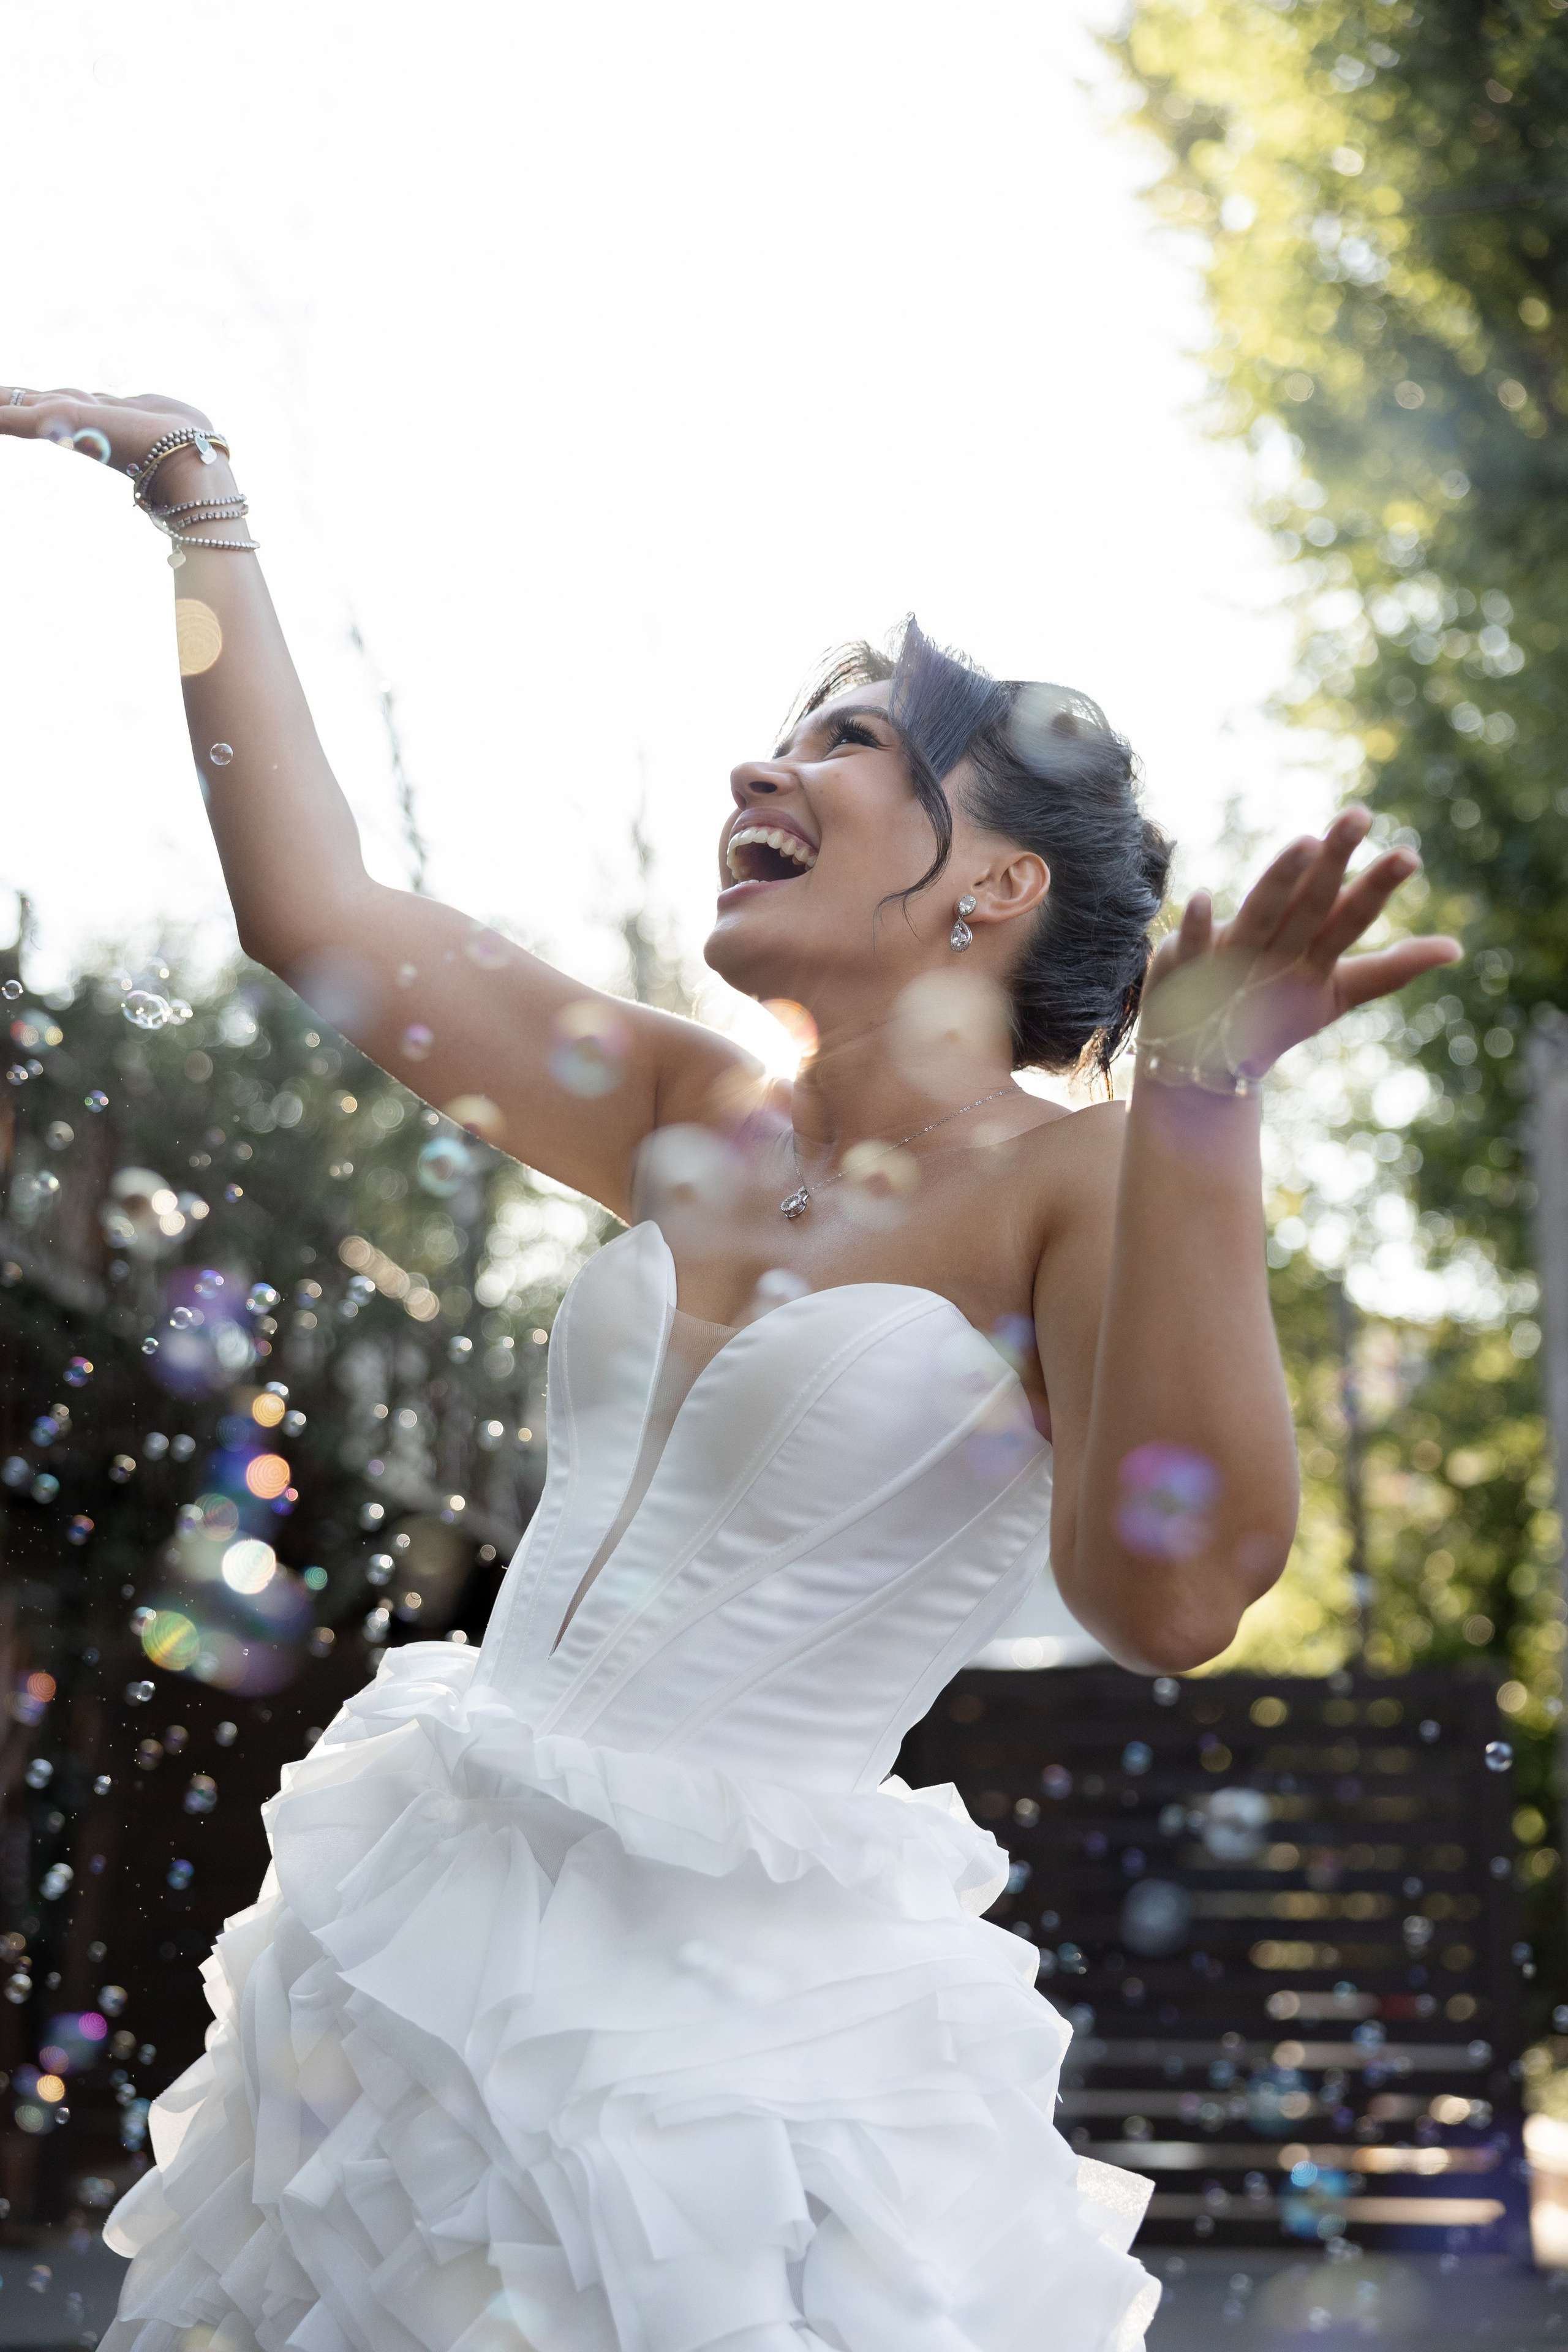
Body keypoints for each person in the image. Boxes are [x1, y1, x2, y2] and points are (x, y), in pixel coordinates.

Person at [3, 387, 1460, 2352]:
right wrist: (196, 493)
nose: (757, 770)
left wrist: (1199, 1107)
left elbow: (1172, 1593)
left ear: (995, 882)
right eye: (782, 739)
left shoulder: (1083, 1179)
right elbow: (320, 915)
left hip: (738, 2056)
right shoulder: (695, 1109)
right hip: (409, 1942)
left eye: (845, 744)